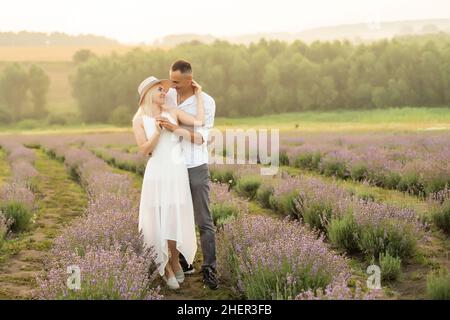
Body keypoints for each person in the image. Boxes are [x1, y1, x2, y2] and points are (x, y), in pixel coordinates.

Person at [131, 75, 205, 290]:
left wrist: (198, 93)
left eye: (164, 90)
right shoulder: (139, 120)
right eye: (159, 90)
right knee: (158, 217)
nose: (164, 93)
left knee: (173, 215)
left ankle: (173, 260)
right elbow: (145, 149)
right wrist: (158, 131)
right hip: (157, 171)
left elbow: (199, 121)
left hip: (177, 171)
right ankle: (164, 267)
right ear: (147, 95)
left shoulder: (173, 112)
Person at [157, 60, 218, 290]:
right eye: (170, 79)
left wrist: (176, 130)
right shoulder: (170, 96)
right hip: (172, 166)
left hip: (195, 165)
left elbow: (201, 137)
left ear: (189, 80)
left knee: (204, 221)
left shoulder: (207, 102)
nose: (171, 85)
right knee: (174, 219)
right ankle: (183, 262)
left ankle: (210, 269)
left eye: (176, 82)